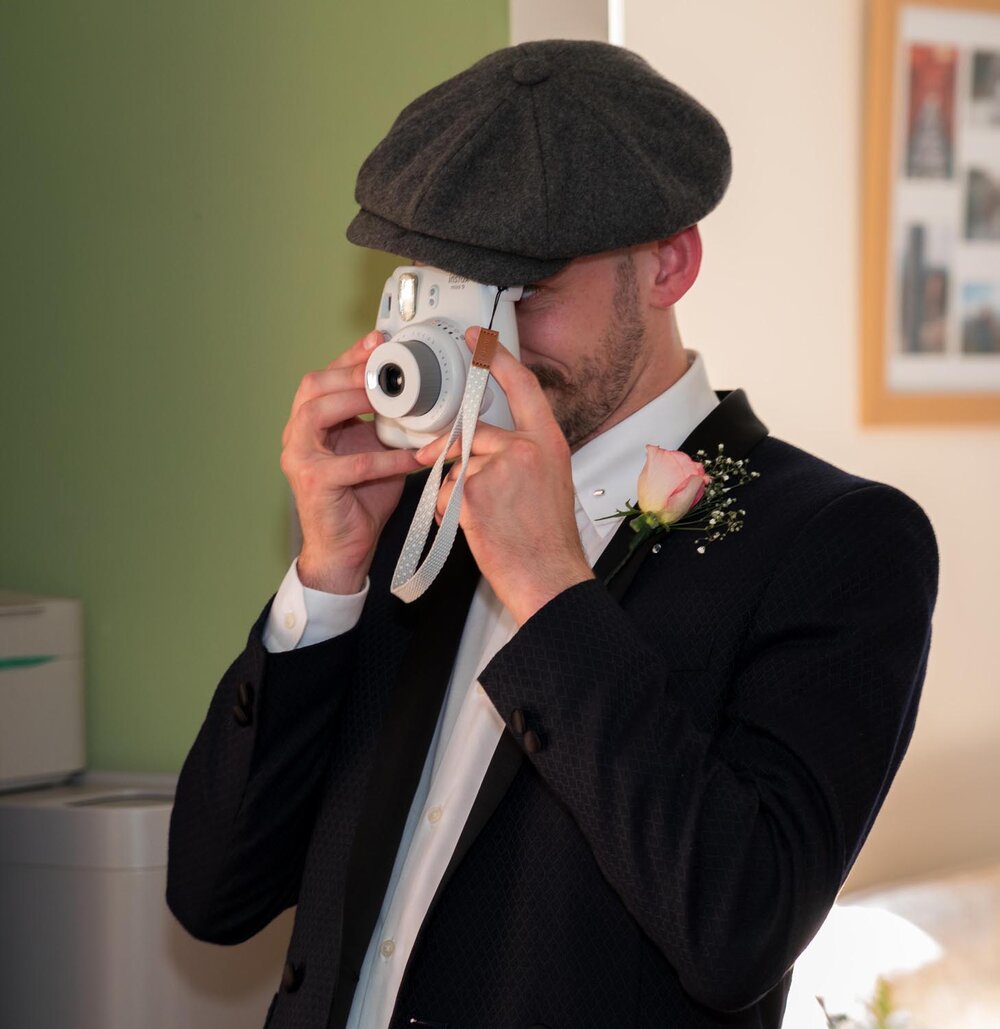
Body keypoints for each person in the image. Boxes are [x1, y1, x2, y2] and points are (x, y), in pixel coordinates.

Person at [166, 40, 939, 1029]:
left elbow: (735, 935)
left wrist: (550, 595)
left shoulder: (835, 543)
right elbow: (212, 895)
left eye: (524, 293)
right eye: (450, 295)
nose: (486, 346)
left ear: (668, 262)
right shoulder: (409, 513)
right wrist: (325, 582)